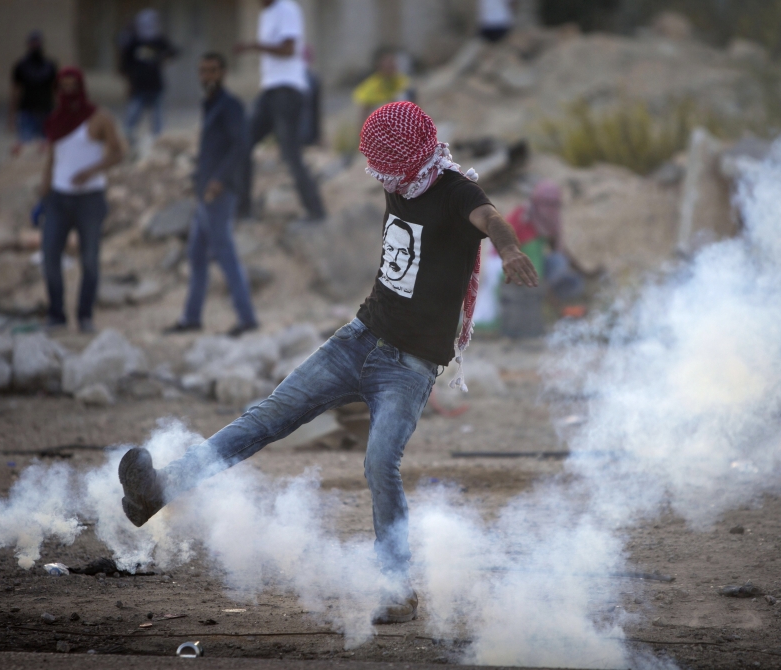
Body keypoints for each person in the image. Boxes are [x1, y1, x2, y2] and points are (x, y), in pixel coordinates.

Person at [117, 101, 537, 624]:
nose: (377, 174)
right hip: (358, 339)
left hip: (410, 366)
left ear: (408, 158)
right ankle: (157, 491)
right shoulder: (400, 180)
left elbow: (489, 217)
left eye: (383, 163)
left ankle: (396, 588)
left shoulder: (455, 191)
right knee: (265, 419)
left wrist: (511, 249)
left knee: (381, 463)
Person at [164, 53, 258, 338]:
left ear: (223, 73)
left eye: (212, 71)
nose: (207, 76)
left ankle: (247, 318)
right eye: (203, 71)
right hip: (204, 190)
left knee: (224, 252)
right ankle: (191, 317)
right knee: (196, 254)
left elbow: (240, 146)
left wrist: (218, 179)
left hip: (219, 191)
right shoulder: (210, 105)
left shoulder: (230, 106)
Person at [40, 67, 124, 332]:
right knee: (50, 257)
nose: (68, 92)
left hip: (89, 199)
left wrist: (90, 172)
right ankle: (56, 315)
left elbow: (118, 153)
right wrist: (43, 195)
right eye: (63, 86)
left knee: (89, 260)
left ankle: (85, 316)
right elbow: (53, 159)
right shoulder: (55, 120)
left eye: (72, 86)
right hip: (58, 197)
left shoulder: (99, 118)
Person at [235, 0, 325, 222]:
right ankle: (242, 210)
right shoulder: (266, 14)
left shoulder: (287, 9)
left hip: (288, 90)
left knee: (290, 154)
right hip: (271, 90)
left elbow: (288, 49)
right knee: (242, 142)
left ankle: (316, 212)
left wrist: (254, 46)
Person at [120, 9, 178, 147]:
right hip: (139, 83)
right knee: (134, 112)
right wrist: (129, 79)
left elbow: (173, 51)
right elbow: (125, 62)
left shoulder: (158, 39)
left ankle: (157, 140)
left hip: (155, 83)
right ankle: (127, 137)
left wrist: (163, 57)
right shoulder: (134, 41)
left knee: (157, 114)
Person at [9, 31, 57, 156]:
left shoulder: (50, 65)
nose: (35, 46)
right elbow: (15, 91)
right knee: (26, 148)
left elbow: (55, 90)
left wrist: (58, 111)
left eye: (37, 43)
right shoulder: (21, 66)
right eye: (33, 43)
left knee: (47, 148)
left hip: (46, 110)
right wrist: (11, 115)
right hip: (27, 111)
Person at [352, 48, 412, 121]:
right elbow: (363, 112)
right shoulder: (370, 87)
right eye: (388, 63)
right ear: (379, 65)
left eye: (392, 61)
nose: (391, 65)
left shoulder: (403, 81)